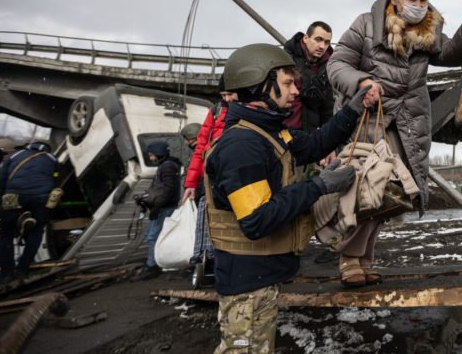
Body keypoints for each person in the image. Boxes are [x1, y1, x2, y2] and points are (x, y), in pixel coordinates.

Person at [205, 43, 373, 353]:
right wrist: (320, 186)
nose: (295, 92)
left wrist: (353, 108)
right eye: (286, 84)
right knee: (243, 349)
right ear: (258, 88)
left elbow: (315, 144)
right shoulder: (242, 146)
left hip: (259, 276)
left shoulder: (269, 132)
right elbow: (257, 219)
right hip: (246, 287)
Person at [326, 0, 462, 287]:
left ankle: (364, 259)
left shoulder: (427, 30)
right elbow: (337, 64)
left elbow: (451, 53)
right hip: (370, 118)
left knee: (393, 195)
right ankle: (349, 258)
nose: (418, 5)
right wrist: (361, 82)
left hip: (408, 123)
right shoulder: (365, 24)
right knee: (368, 191)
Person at [181, 75, 237, 270]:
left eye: (231, 94)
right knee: (209, 218)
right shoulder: (215, 111)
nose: (228, 98)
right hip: (213, 179)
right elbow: (200, 150)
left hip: (234, 177)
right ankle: (208, 257)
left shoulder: (249, 109)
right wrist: (190, 184)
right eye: (224, 94)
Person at [0, 139, 57, 283]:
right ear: (47, 148)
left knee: (6, 233)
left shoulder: (15, 155)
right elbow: (56, 181)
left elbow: (1, 181)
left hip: (13, 196)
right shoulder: (52, 159)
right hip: (40, 198)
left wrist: (0, 205)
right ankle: (23, 269)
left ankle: (6, 274)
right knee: (36, 231)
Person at [133, 140, 182, 280]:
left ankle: (152, 267)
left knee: (152, 236)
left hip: (164, 208)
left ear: (158, 153)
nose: (150, 157)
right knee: (151, 234)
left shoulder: (167, 167)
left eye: (151, 154)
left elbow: (168, 190)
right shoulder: (167, 165)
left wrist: (157, 206)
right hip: (163, 206)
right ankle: (154, 262)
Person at [282, 21, 335, 133]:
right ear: (306, 38)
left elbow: (327, 106)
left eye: (326, 42)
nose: (322, 46)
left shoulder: (328, 67)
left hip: (309, 135)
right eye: (318, 39)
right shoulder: (285, 60)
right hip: (281, 132)